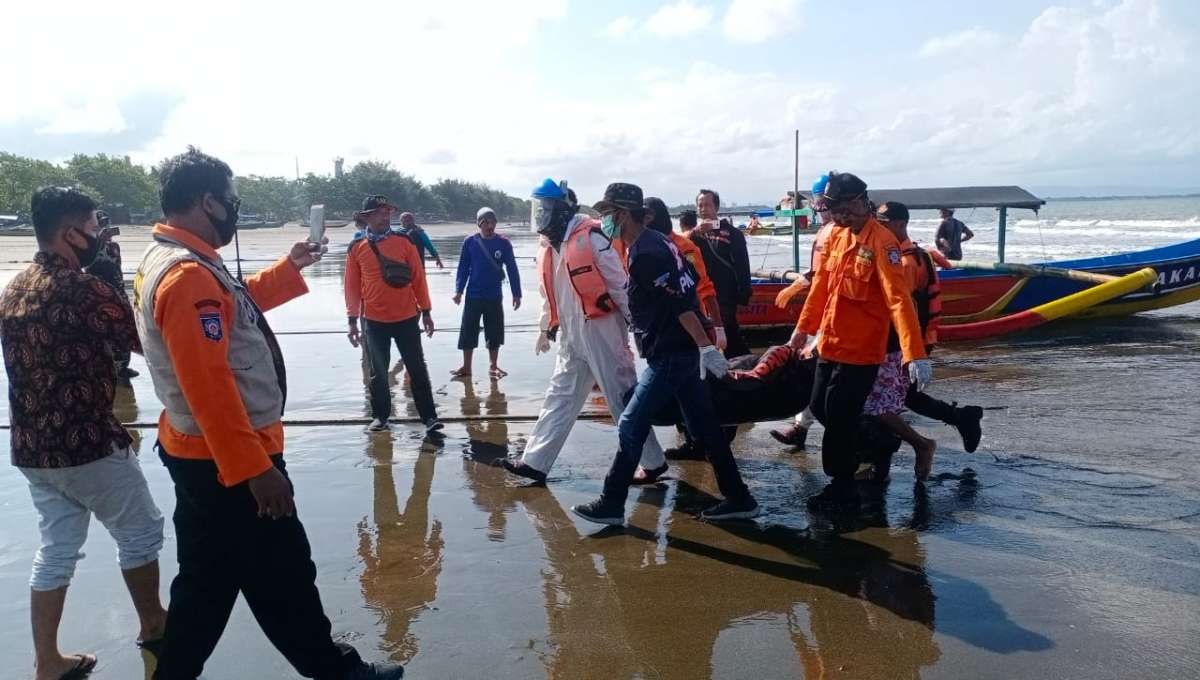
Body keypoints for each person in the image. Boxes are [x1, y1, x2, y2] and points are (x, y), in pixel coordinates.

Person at [135, 148, 403, 679]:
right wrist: (256, 470)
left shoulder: (174, 259)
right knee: (277, 573)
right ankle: (335, 671)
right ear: (207, 201)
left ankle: (321, 667)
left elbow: (234, 304)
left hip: (202, 455)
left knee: (213, 583)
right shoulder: (186, 275)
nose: (235, 211)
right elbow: (209, 386)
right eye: (232, 201)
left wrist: (291, 267)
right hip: (229, 462)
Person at [2, 187, 166, 680]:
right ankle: (154, 624)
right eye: (95, 226)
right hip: (88, 444)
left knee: (56, 549)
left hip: (33, 449)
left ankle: (47, 661)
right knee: (140, 531)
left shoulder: (13, 287)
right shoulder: (84, 290)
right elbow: (146, 341)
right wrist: (114, 284)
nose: (99, 235)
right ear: (72, 233)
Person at [572, 182, 759, 524]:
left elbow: (680, 305)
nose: (604, 221)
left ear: (625, 214)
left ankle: (611, 503)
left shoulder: (648, 253)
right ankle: (739, 497)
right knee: (704, 427)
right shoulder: (656, 243)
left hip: (672, 354)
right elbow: (685, 291)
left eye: (608, 213)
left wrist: (707, 345)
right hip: (677, 351)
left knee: (630, 421)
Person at [500, 179, 668, 486]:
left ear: (563, 210)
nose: (541, 216)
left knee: (621, 398)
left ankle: (653, 462)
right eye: (539, 209)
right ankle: (535, 462)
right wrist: (544, 327)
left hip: (601, 328)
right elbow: (547, 292)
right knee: (560, 394)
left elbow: (620, 287)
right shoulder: (549, 248)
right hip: (570, 332)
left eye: (547, 209)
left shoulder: (591, 237)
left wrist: (641, 329)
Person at [788, 172, 931, 508]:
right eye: (833, 209)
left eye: (843, 208)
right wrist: (803, 329)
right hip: (830, 343)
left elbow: (899, 299)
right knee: (820, 406)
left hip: (862, 352)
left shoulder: (883, 244)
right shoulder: (836, 236)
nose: (838, 216)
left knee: (838, 418)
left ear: (860, 202)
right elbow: (822, 287)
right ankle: (880, 446)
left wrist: (915, 353)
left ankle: (841, 485)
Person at [876, 201, 983, 455]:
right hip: (916, 337)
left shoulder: (905, 263)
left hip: (910, 340)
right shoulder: (917, 253)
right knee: (904, 395)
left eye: (883, 225)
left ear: (900, 225)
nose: (878, 230)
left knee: (892, 397)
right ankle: (961, 417)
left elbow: (897, 306)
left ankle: (957, 420)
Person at [345, 195, 443, 434]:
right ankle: (380, 416)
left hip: (407, 318)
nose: (385, 216)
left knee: (417, 368)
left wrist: (427, 312)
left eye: (388, 211)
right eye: (379, 212)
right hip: (374, 321)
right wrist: (352, 321)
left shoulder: (405, 242)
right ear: (367, 217)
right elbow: (351, 287)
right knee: (378, 373)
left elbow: (419, 279)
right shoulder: (356, 248)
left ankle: (429, 417)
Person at [770, 174, 835, 448]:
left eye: (820, 204)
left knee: (821, 377)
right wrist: (801, 282)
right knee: (814, 372)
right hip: (822, 312)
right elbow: (819, 272)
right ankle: (801, 427)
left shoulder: (842, 232)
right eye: (816, 204)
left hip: (838, 316)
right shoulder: (825, 231)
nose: (818, 210)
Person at [451, 207, 522, 379]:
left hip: (494, 295)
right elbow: (463, 268)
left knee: (494, 331)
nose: (490, 226)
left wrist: (516, 293)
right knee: (468, 330)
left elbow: (512, 268)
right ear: (479, 224)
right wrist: (459, 291)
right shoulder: (470, 242)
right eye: (486, 223)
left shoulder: (503, 243)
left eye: (493, 222)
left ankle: (493, 365)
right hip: (473, 295)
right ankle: (466, 366)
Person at [691, 188, 752, 357]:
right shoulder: (693, 236)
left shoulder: (732, 234)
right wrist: (694, 234)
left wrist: (744, 295)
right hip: (703, 296)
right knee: (708, 337)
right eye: (700, 205)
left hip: (725, 295)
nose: (703, 209)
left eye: (708, 205)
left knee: (730, 335)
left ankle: (744, 368)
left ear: (716, 208)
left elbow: (743, 266)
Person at [85, 209, 139, 381]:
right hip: (99, 294)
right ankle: (109, 368)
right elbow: (88, 267)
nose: (107, 229)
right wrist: (99, 242)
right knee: (105, 332)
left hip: (118, 291)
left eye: (107, 225)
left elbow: (118, 268)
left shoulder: (114, 247)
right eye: (102, 225)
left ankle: (123, 367)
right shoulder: (90, 248)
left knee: (123, 331)